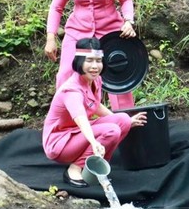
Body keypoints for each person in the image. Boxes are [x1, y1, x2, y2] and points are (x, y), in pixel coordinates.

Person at [45, 0, 137, 111]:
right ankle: (67, 120)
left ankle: (126, 122)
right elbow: (56, 7)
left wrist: (128, 21)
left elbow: (125, 0)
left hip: (109, 30)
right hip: (78, 31)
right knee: (66, 74)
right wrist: (50, 37)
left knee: (117, 76)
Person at [42, 37, 146, 188]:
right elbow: (81, 119)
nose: (95, 66)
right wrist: (93, 141)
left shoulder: (95, 80)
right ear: (79, 61)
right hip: (61, 143)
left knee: (122, 120)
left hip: (77, 133)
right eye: (89, 60)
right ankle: (75, 168)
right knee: (112, 130)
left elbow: (95, 106)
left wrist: (126, 122)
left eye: (98, 61)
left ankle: (97, 168)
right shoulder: (71, 90)